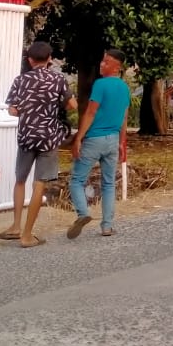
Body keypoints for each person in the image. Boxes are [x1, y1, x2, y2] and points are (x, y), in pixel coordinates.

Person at [0, 40, 75, 248]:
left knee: (20, 180)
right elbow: (72, 105)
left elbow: (12, 110)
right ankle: (27, 235)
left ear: (30, 60)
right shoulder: (58, 79)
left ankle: (15, 226)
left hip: (26, 136)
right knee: (39, 184)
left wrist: (27, 111)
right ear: (49, 59)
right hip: (48, 137)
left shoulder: (20, 80)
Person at [67, 49, 131, 239]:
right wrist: (122, 142)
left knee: (77, 180)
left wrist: (79, 138)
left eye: (107, 62)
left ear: (117, 67)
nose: (102, 64)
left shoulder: (100, 84)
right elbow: (124, 117)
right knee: (109, 183)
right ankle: (107, 226)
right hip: (113, 140)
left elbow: (91, 112)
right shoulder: (124, 87)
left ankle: (83, 213)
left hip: (94, 139)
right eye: (103, 61)